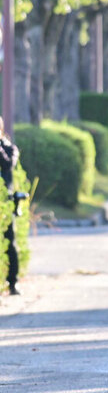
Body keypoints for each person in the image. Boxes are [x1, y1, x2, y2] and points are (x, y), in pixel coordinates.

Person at [0, 118, 21, 295]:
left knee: (10, 242)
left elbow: (7, 165)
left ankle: (13, 282)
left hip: (5, 201)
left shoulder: (9, 148)